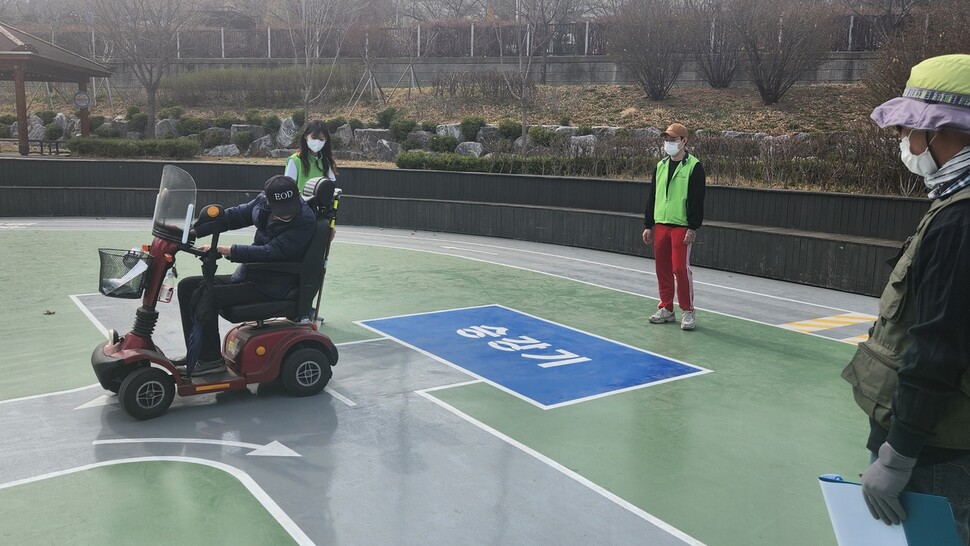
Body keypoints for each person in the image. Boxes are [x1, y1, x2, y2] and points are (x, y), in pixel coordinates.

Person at [842, 54, 970, 543]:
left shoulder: (959, 221)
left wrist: (897, 457)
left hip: (933, 452)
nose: (905, 142)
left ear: (942, 134)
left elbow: (937, 347)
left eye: (908, 130)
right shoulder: (952, 205)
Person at [175, 175, 316, 375]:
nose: (287, 215)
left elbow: (271, 251)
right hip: (252, 274)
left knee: (206, 295)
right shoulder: (261, 204)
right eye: (281, 210)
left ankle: (211, 361)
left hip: (272, 285)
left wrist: (227, 250)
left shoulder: (304, 221)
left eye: (290, 208)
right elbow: (233, 217)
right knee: (188, 286)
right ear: (267, 199)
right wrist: (194, 232)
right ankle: (197, 353)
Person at [641, 122, 706, 331]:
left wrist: (693, 226)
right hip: (661, 224)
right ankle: (666, 308)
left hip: (681, 226)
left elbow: (697, 199)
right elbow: (653, 195)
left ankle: (688, 311)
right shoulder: (660, 165)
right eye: (666, 139)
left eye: (673, 139)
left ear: (684, 141)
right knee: (662, 269)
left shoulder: (694, 167)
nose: (668, 143)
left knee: (680, 268)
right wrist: (648, 224)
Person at [285, 120, 338, 193]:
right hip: (301, 203)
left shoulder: (325, 161)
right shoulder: (295, 160)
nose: (317, 142)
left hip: (320, 203)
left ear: (326, 140)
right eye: (314, 137)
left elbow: (331, 184)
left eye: (321, 139)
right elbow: (288, 188)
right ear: (306, 136)